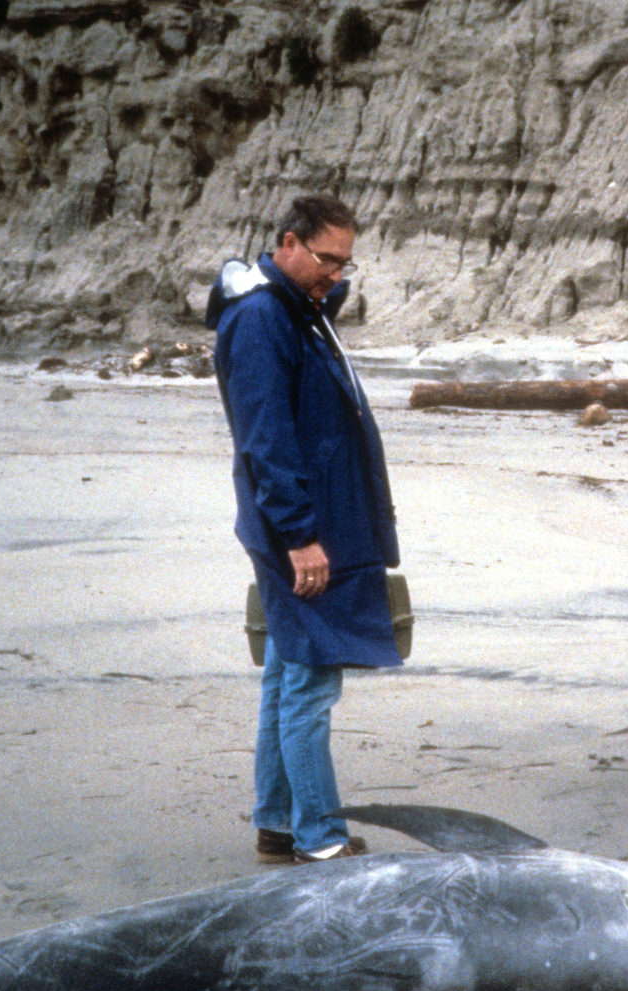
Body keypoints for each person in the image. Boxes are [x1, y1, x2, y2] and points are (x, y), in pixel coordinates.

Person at [206, 194, 401, 864]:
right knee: (312, 681)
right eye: (327, 259)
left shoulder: (292, 312)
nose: (337, 275)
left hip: (312, 522)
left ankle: (277, 823)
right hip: (301, 530)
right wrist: (297, 534)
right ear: (288, 243)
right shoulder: (263, 319)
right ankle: (318, 836)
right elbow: (268, 439)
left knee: (288, 671)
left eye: (346, 264)